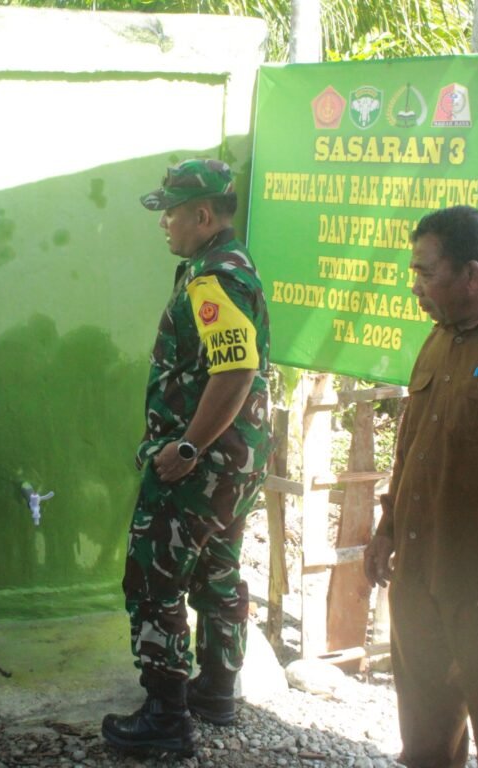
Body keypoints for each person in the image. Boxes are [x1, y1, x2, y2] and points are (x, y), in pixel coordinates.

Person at [102, 159, 272, 755]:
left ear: (202, 215)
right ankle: (217, 690)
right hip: (237, 463)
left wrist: (186, 447)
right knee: (218, 568)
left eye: (171, 212)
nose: (164, 224)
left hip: (199, 466)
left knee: (153, 577)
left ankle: (165, 717)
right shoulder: (235, 265)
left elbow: (237, 366)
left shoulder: (211, 281)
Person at [364, 205, 478, 768]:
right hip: (420, 581)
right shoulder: (439, 341)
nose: (415, 287)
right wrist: (387, 528)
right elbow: (413, 450)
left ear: (472, 275)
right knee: (425, 743)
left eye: (426, 273)